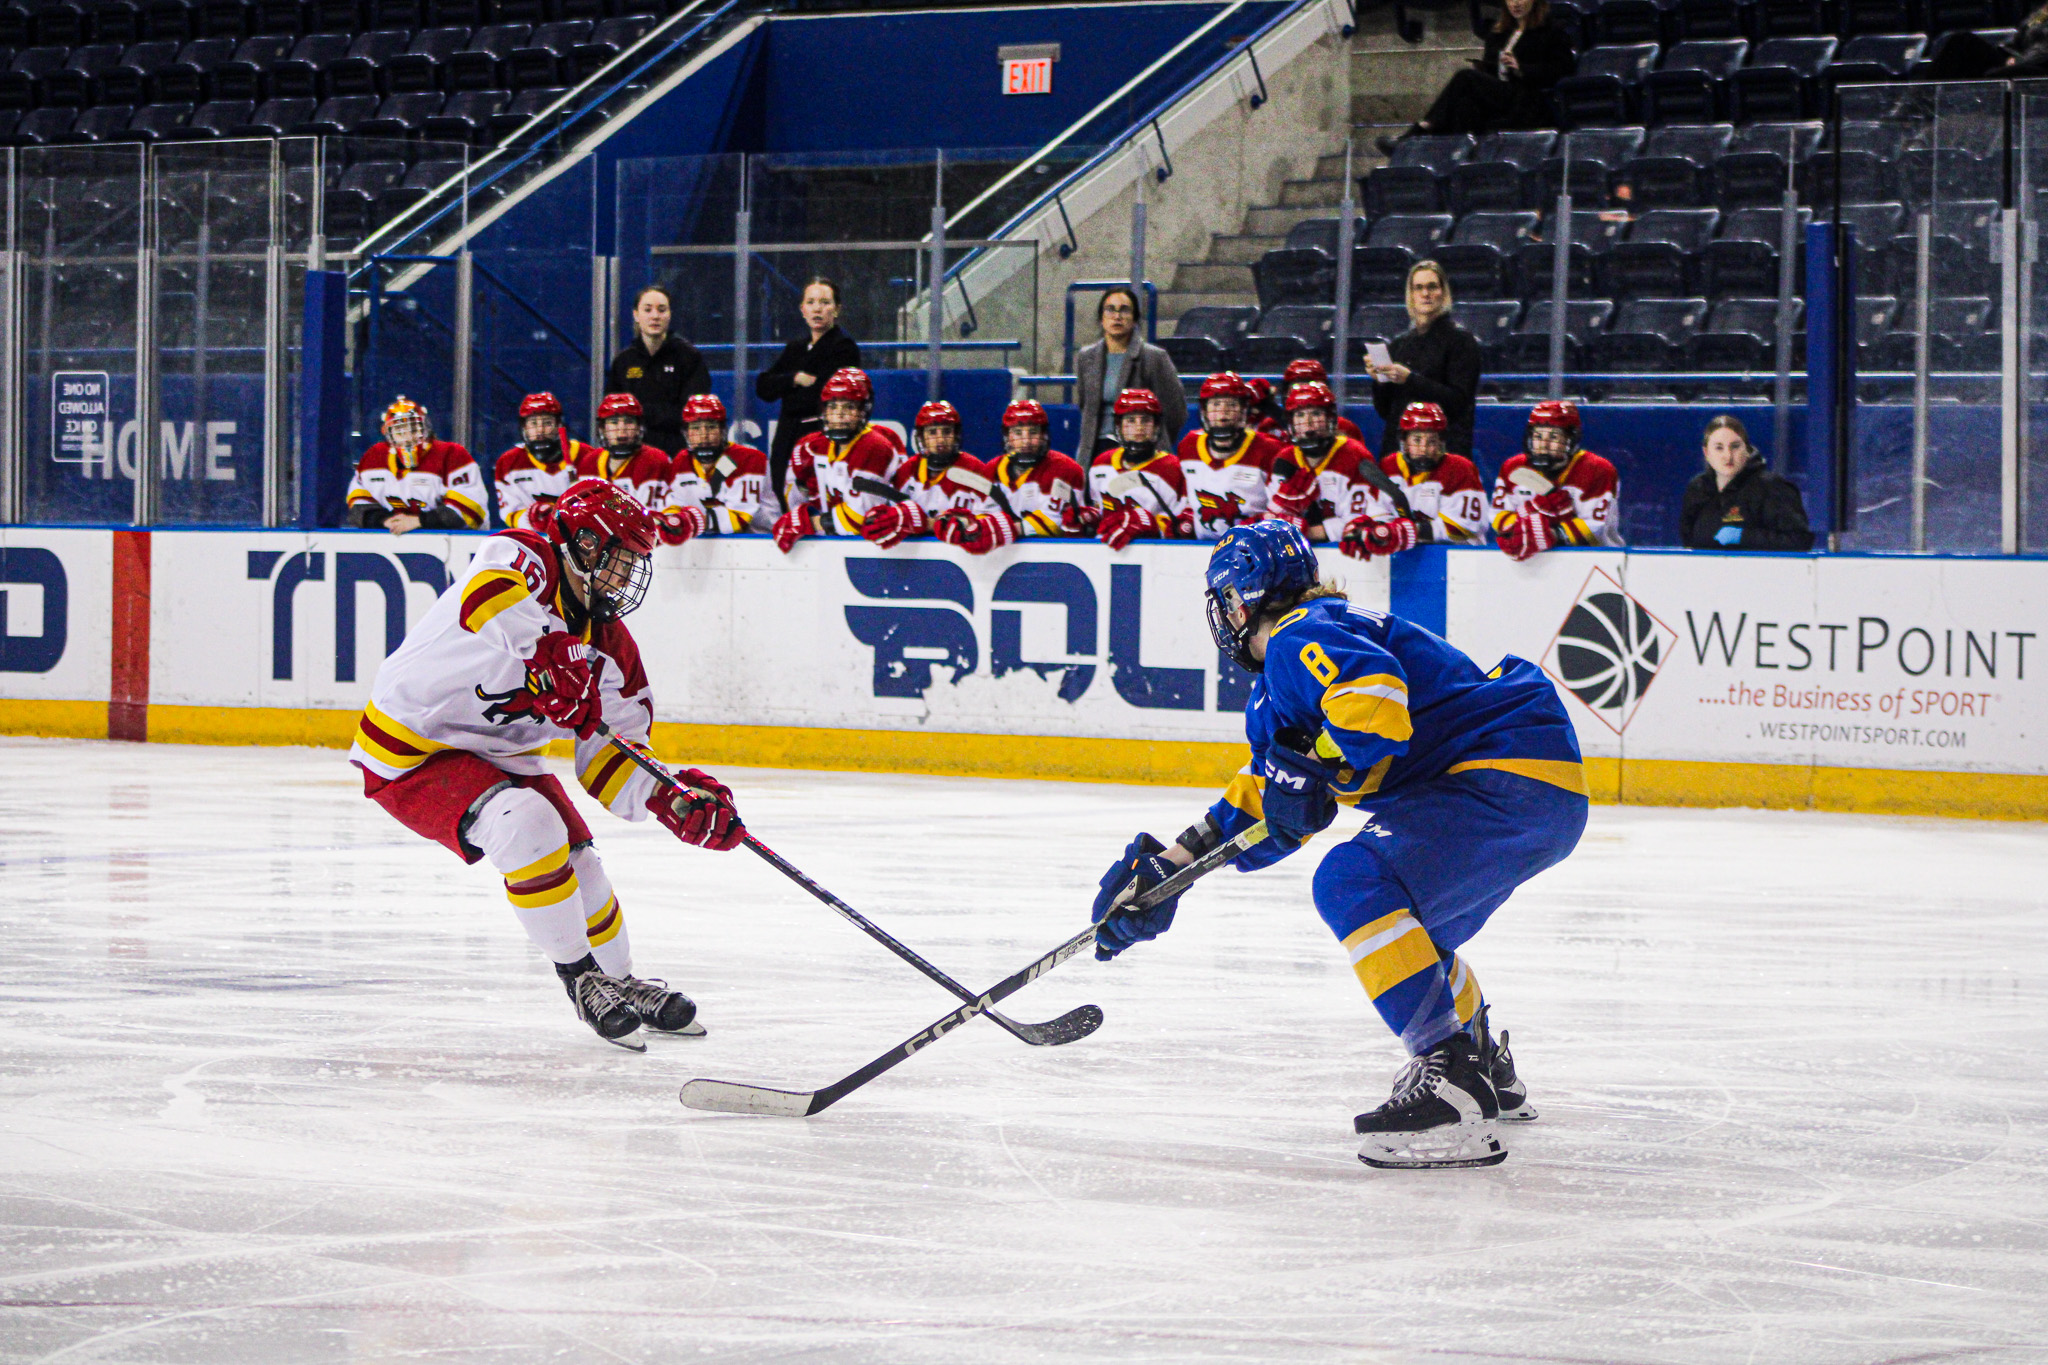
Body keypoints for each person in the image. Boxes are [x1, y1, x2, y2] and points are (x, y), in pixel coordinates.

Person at [1087, 519, 1588, 1168]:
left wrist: (1316, 761)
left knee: (1350, 879)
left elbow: (1376, 701)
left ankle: (1453, 1079)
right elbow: (1267, 795)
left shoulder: (1300, 635)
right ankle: (1480, 1052)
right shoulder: (1297, 664)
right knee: (1407, 935)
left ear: (1238, 601)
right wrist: (1172, 866)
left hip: (1499, 771)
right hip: (1533, 776)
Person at [349, 478, 746, 1049]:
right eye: (621, 561)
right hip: (415, 746)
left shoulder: (611, 647)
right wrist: (546, 648)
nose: (628, 578)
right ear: (584, 545)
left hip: (502, 755)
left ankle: (619, 979)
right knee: (530, 826)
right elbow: (487, 595)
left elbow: (613, 756)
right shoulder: (523, 557)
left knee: (582, 864)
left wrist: (669, 797)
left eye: (637, 565)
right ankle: (581, 979)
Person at [1381, 0, 1575, 147]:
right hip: (1499, 95)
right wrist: (1486, 68)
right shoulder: (1499, 33)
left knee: (1465, 77)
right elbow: (1491, 72)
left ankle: (1421, 130)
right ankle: (1452, 158)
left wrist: (1521, 68)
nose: (1515, 3)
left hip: (1527, 98)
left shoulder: (1551, 31)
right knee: (1465, 104)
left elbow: (1563, 70)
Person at [755, 277, 863, 515]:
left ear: (836, 309)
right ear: (802, 309)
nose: (817, 308)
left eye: (825, 302)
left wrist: (790, 392)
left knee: (816, 504)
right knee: (781, 500)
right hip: (786, 437)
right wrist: (794, 379)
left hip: (821, 439)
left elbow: (822, 398)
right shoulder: (795, 347)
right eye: (811, 302)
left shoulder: (844, 347)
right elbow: (763, 387)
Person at [772, 368, 905, 551]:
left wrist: (811, 523)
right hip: (829, 546)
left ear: (862, 411)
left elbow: (859, 518)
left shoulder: (875, 446)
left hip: (880, 547)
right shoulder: (809, 447)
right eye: (833, 407)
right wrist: (805, 507)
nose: (839, 414)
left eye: (849, 407)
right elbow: (793, 499)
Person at [1338, 403, 1490, 558]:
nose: (1424, 448)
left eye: (1431, 441)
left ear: (1441, 442)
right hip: (1408, 559)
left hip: (1463, 562)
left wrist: (1410, 530)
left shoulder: (1461, 469)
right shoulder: (1389, 466)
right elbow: (1378, 512)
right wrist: (1376, 530)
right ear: (1404, 441)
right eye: (1417, 440)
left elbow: (1467, 526)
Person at [862, 400, 1013, 555]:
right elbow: (892, 518)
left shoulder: (976, 470)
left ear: (956, 435)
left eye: (946, 432)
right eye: (932, 433)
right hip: (915, 558)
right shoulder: (906, 471)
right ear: (921, 437)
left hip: (965, 558)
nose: (940, 440)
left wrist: (961, 524)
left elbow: (988, 524)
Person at [1369, 262, 1482, 464]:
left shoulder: (1462, 341)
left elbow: (1459, 402)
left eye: (1432, 287)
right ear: (1410, 295)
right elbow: (1385, 411)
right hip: (1399, 454)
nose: (1425, 293)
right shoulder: (1398, 345)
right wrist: (1380, 381)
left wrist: (1409, 379)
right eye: (1418, 288)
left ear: (1443, 292)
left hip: (1443, 453)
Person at [1490, 399, 1622, 560]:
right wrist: (1525, 529)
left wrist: (1553, 534)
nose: (1543, 444)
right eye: (1538, 436)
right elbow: (1497, 514)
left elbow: (1596, 525)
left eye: (1553, 437)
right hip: (1532, 561)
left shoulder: (1598, 470)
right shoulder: (1513, 467)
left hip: (1594, 560)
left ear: (1570, 439)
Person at [1264, 381, 1383, 546]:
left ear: (1331, 418)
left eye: (1316, 414)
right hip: (1294, 550)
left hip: (1345, 554)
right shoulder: (1285, 459)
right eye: (1300, 415)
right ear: (1290, 423)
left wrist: (1307, 531)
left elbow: (1359, 521)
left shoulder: (1355, 455)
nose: (1308, 422)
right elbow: (1274, 520)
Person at [1075, 287, 1187, 461]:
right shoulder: (1086, 357)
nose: (1117, 316)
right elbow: (1085, 406)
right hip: (1095, 451)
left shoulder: (1154, 357)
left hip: (1142, 450)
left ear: (1135, 319)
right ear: (1101, 318)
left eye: (1124, 310)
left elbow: (1175, 411)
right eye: (1110, 309)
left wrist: (1155, 442)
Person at [1178, 371, 1291, 540]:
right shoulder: (1189, 445)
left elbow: (1288, 510)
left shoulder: (1271, 450)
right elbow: (1187, 497)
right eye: (1216, 405)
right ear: (1204, 410)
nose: (1223, 414)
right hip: (1200, 551)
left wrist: (1264, 522)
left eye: (1231, 405)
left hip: (1257, 549)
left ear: (1245, 410)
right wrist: (1186, 517)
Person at [345, 397, 485, 533]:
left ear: (425, 429)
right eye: (400, 432)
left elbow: (471, 508)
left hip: (458, 544)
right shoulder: (374, 457)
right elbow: (357, 506)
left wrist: (420, 521)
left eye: (413, 430)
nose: (408, 437)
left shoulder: (452, 455)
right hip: (392, 540)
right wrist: (385, 520)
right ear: (389, 434)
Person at [604, 284, 713, 458]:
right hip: (632, 456)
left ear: (670, 315)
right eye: (647, 310)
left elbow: (692, 413)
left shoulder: (689, 357)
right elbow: (611, 414)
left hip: (678, 455)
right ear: (636, 315)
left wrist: (639, 413)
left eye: (661, 310)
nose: (655, 316)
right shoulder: (624, 362)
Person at [1680, 414, 1815, 551]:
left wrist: (1744, 537)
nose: (1728, 455)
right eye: (1719, 448)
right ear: (1706, 452)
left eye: (1735, 446)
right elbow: (1688, 541)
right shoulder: (1697, 489)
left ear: (1747, 449)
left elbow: (1800, 540)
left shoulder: (1771, 488)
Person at [1083, 388, 1194, 549]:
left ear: (1156, 426)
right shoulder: (1102, 464)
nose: (1139, 428)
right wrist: (1087, 519)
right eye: (1131, 421)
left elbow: (1184, 527)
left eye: (1145, 420)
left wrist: (1154, 525)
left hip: (1156, 553)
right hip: (1105, 551)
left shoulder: (1174, 468)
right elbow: (1098, 512)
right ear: (1118, 426)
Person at [660, 394, 768, 544]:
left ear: (723, 430)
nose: (704, 435)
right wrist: (671, 521)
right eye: (696, 428)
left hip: (760, 544)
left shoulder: (749, 459)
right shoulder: (682, 461)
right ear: (686, 433)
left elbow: (739, 520)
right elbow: (674, 505)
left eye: (711, 427)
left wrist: (689, 520)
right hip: (709, 545)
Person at [495, 392, 600, 531]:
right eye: (533, 423)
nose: (540, 430)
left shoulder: (588, 456)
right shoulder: (508, 463)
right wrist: (533, 520)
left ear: (559, 425)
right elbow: (510, 511)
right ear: (524, 428)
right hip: (533, 538)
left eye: (547, 423)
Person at [985, 398, 1088, 538]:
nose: (1026, 441)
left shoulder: (1066, 469)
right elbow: (982, 515)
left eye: (1033, 432)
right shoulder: (991, 470)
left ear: (1043, 435)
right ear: (1007, 436)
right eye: (1018, 432)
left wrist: (1003, 529)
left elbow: (1056, 520)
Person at [576, 393, 673, 511]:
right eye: (614, 422)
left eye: (628, 422)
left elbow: (672, 510)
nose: (622, 430)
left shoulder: (657, 461)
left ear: (639, 427)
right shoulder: (589, 463)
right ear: (603, 428)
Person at [1920, 6, 2048, 80]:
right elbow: (2017, 38)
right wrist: (2004, 52)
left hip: (2037, 67)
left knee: (1991, 71)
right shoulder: (2041, 14)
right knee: (1962, 42)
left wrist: (2019, 61)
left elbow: (2043, 51)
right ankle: (1922, 101)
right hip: (2017, 58)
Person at [1271, 359, 1365, 443]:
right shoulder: (1270, 426)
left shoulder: (1345, 427)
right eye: (1298, 388)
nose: (1306, 395)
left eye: (1313, 386)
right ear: (1285, 392)